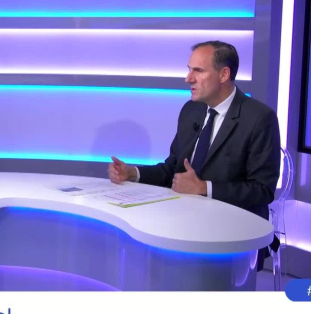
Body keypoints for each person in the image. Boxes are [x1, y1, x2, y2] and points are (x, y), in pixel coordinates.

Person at [108, 41, 281, 266]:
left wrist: (203, 188)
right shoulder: (191, 110)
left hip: (232, 236)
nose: (188, 79)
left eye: (198, 71)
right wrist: (133, 173)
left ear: (224, 74)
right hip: (183, 225)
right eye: (189, 70)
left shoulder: (259, 118)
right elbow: (173, 169)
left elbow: (262, 190)